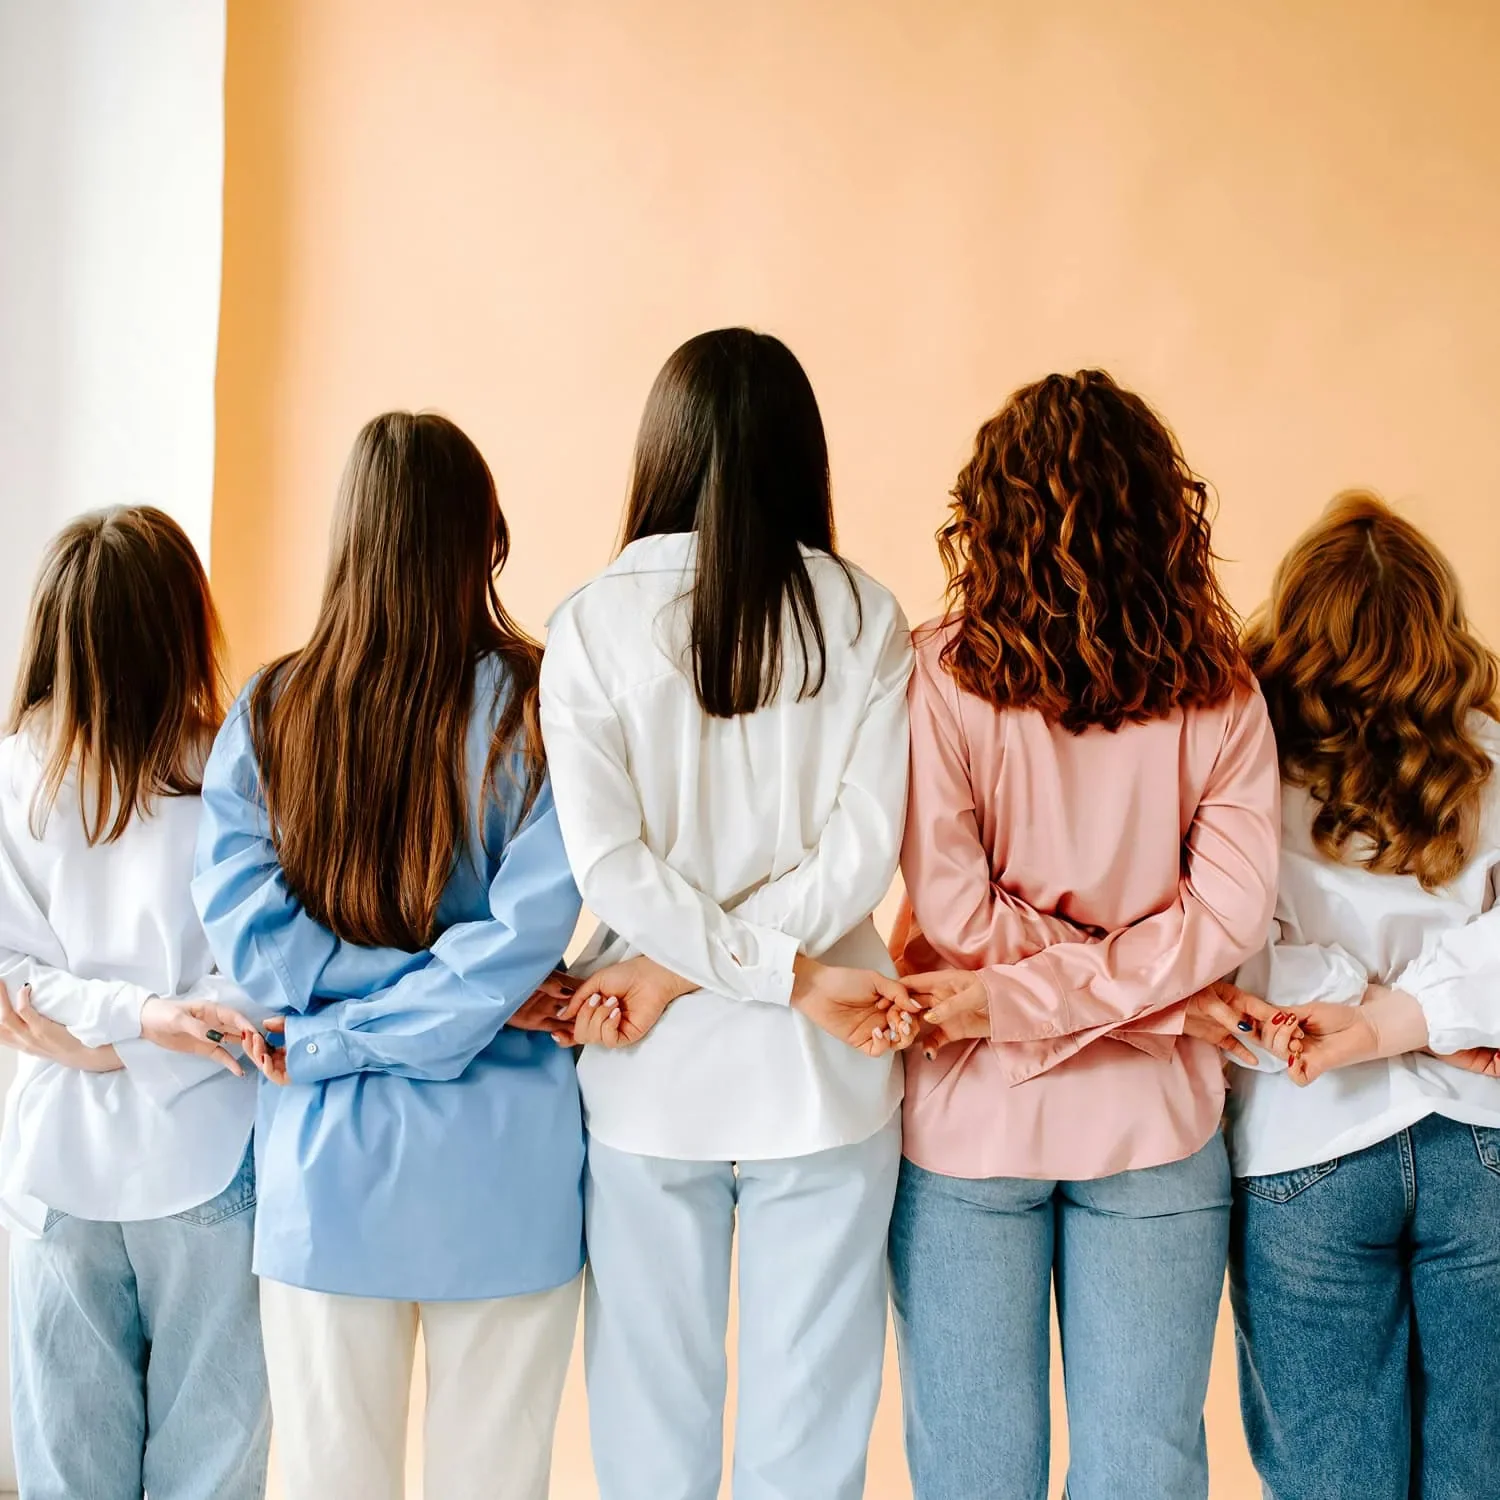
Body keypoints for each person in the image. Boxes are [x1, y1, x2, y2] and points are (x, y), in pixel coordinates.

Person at [889, 370, 1285, 1500]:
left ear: (987, 516)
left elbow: (961, 921)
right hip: (1155, 1122)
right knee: (1145, 1474)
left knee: (968, 1477)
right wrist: (1158, 998)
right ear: (1168, 514)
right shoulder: (1225, 692)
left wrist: (1017, 1002)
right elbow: (1221, 924)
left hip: (970, 1119)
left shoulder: (933, 674)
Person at [539, 328, 918, 1500]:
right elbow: (858, 864)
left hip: (645, 1066)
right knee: (813, 1438)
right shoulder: (866, 617)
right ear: (804, 456)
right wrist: (782, 975)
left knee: (650, 1432)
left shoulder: (589, 622)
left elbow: (609, 864)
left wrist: (665, 974)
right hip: (825, 1065)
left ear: (662, 450)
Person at [191, 413, 584, 1500]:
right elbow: (519, 953)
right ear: (480, 538)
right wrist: (467, 994)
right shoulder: (548, 711)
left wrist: (329, 1038)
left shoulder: (272, 714)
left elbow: (264, 956)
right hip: (512, 1176)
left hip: (328, 1171)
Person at [1223, 492, 1500, 1499]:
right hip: (1485, 1141)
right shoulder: (1489, 758)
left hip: (1307, 1146)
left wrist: (1356, 1010)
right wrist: (1423, 1015)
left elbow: (1233, 963)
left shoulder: (1240, 763)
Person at [0, 506, 269, 1500]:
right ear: (183, 624)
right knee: (213, 1468)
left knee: (69, 1473)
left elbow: (15, 980)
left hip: (57, 1168)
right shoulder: (239, 768)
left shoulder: (15, 775)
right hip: (206, 1155)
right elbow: (265, 977)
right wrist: (149, 1024)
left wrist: (104, 1039)